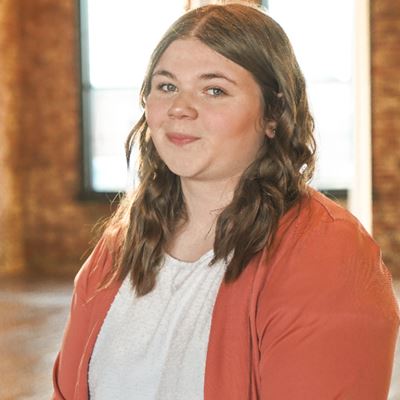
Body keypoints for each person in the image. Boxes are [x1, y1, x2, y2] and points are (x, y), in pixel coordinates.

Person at [52, 3, 399, 399]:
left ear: (274, 114)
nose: (180, 108)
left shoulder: (327, 254)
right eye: (166, 86)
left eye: (214, 90)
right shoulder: (122, 244)